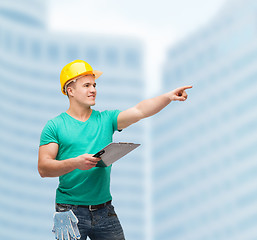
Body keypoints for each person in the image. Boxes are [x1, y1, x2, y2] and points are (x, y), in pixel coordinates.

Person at [38, 59, 192, 240]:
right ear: (70, 91)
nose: (93, 89)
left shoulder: (106, 119)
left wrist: (168, 97)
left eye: (94, 85)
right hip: (69, 211)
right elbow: (44, 168)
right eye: (86, 85)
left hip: (104, 211)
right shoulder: (55, 126)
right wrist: (76, 163)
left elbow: (140, 111)